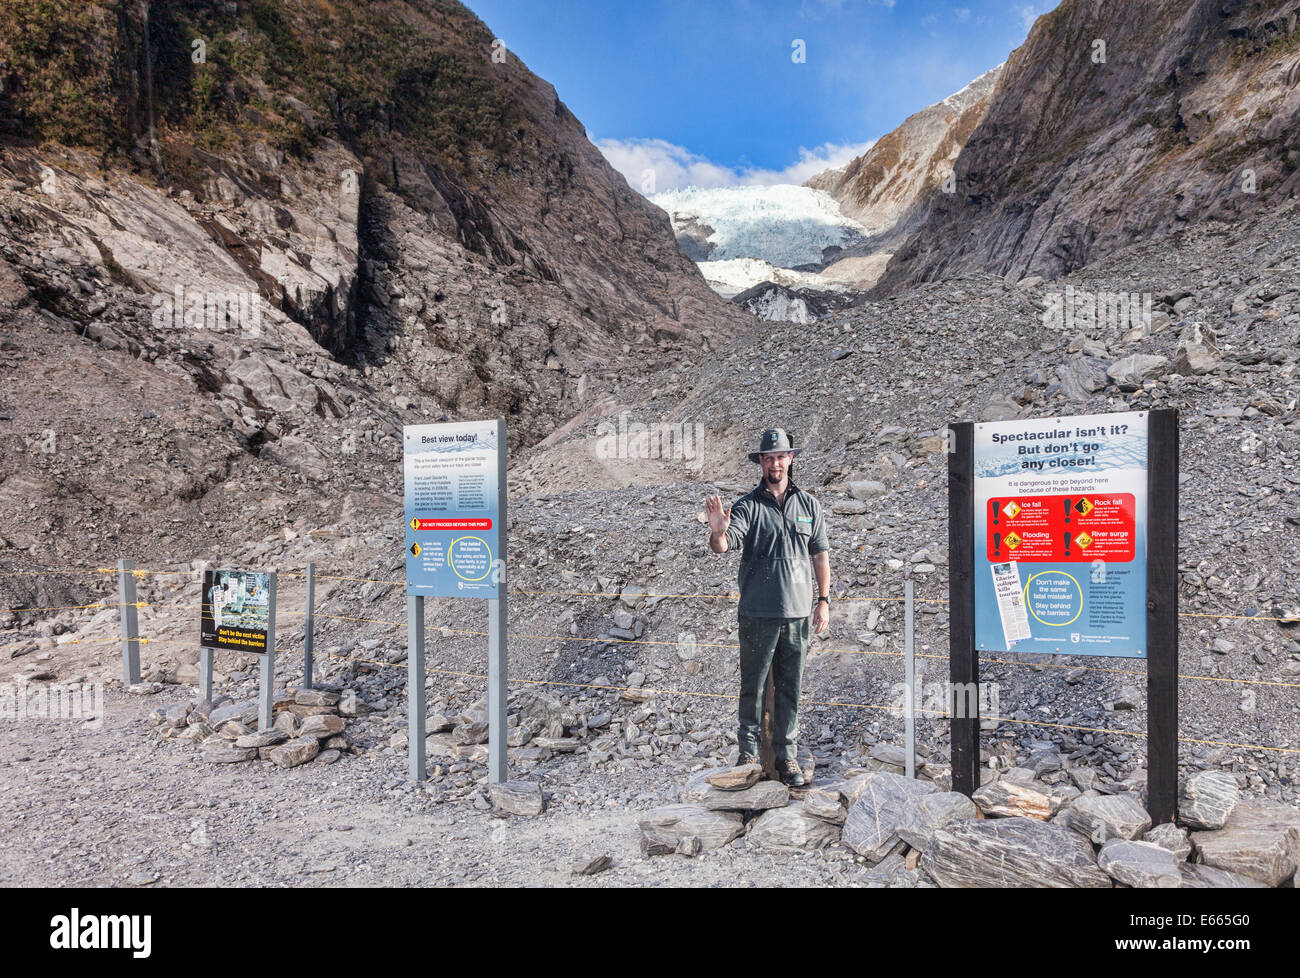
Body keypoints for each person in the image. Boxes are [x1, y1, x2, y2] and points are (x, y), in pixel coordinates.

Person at [705, 428, 831, 786]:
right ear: (760, 461)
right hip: (758, 613)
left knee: (791, 687)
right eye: (769, 457)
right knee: (754, 685)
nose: (775, 463)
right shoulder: (747, 506)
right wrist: (718, 532)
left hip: (797, 613)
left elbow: (820, 555)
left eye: (781, 456)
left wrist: (823, 602)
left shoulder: (809, 505)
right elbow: (725, 544)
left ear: (791, 459)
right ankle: (747, 754)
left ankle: (787, 758)